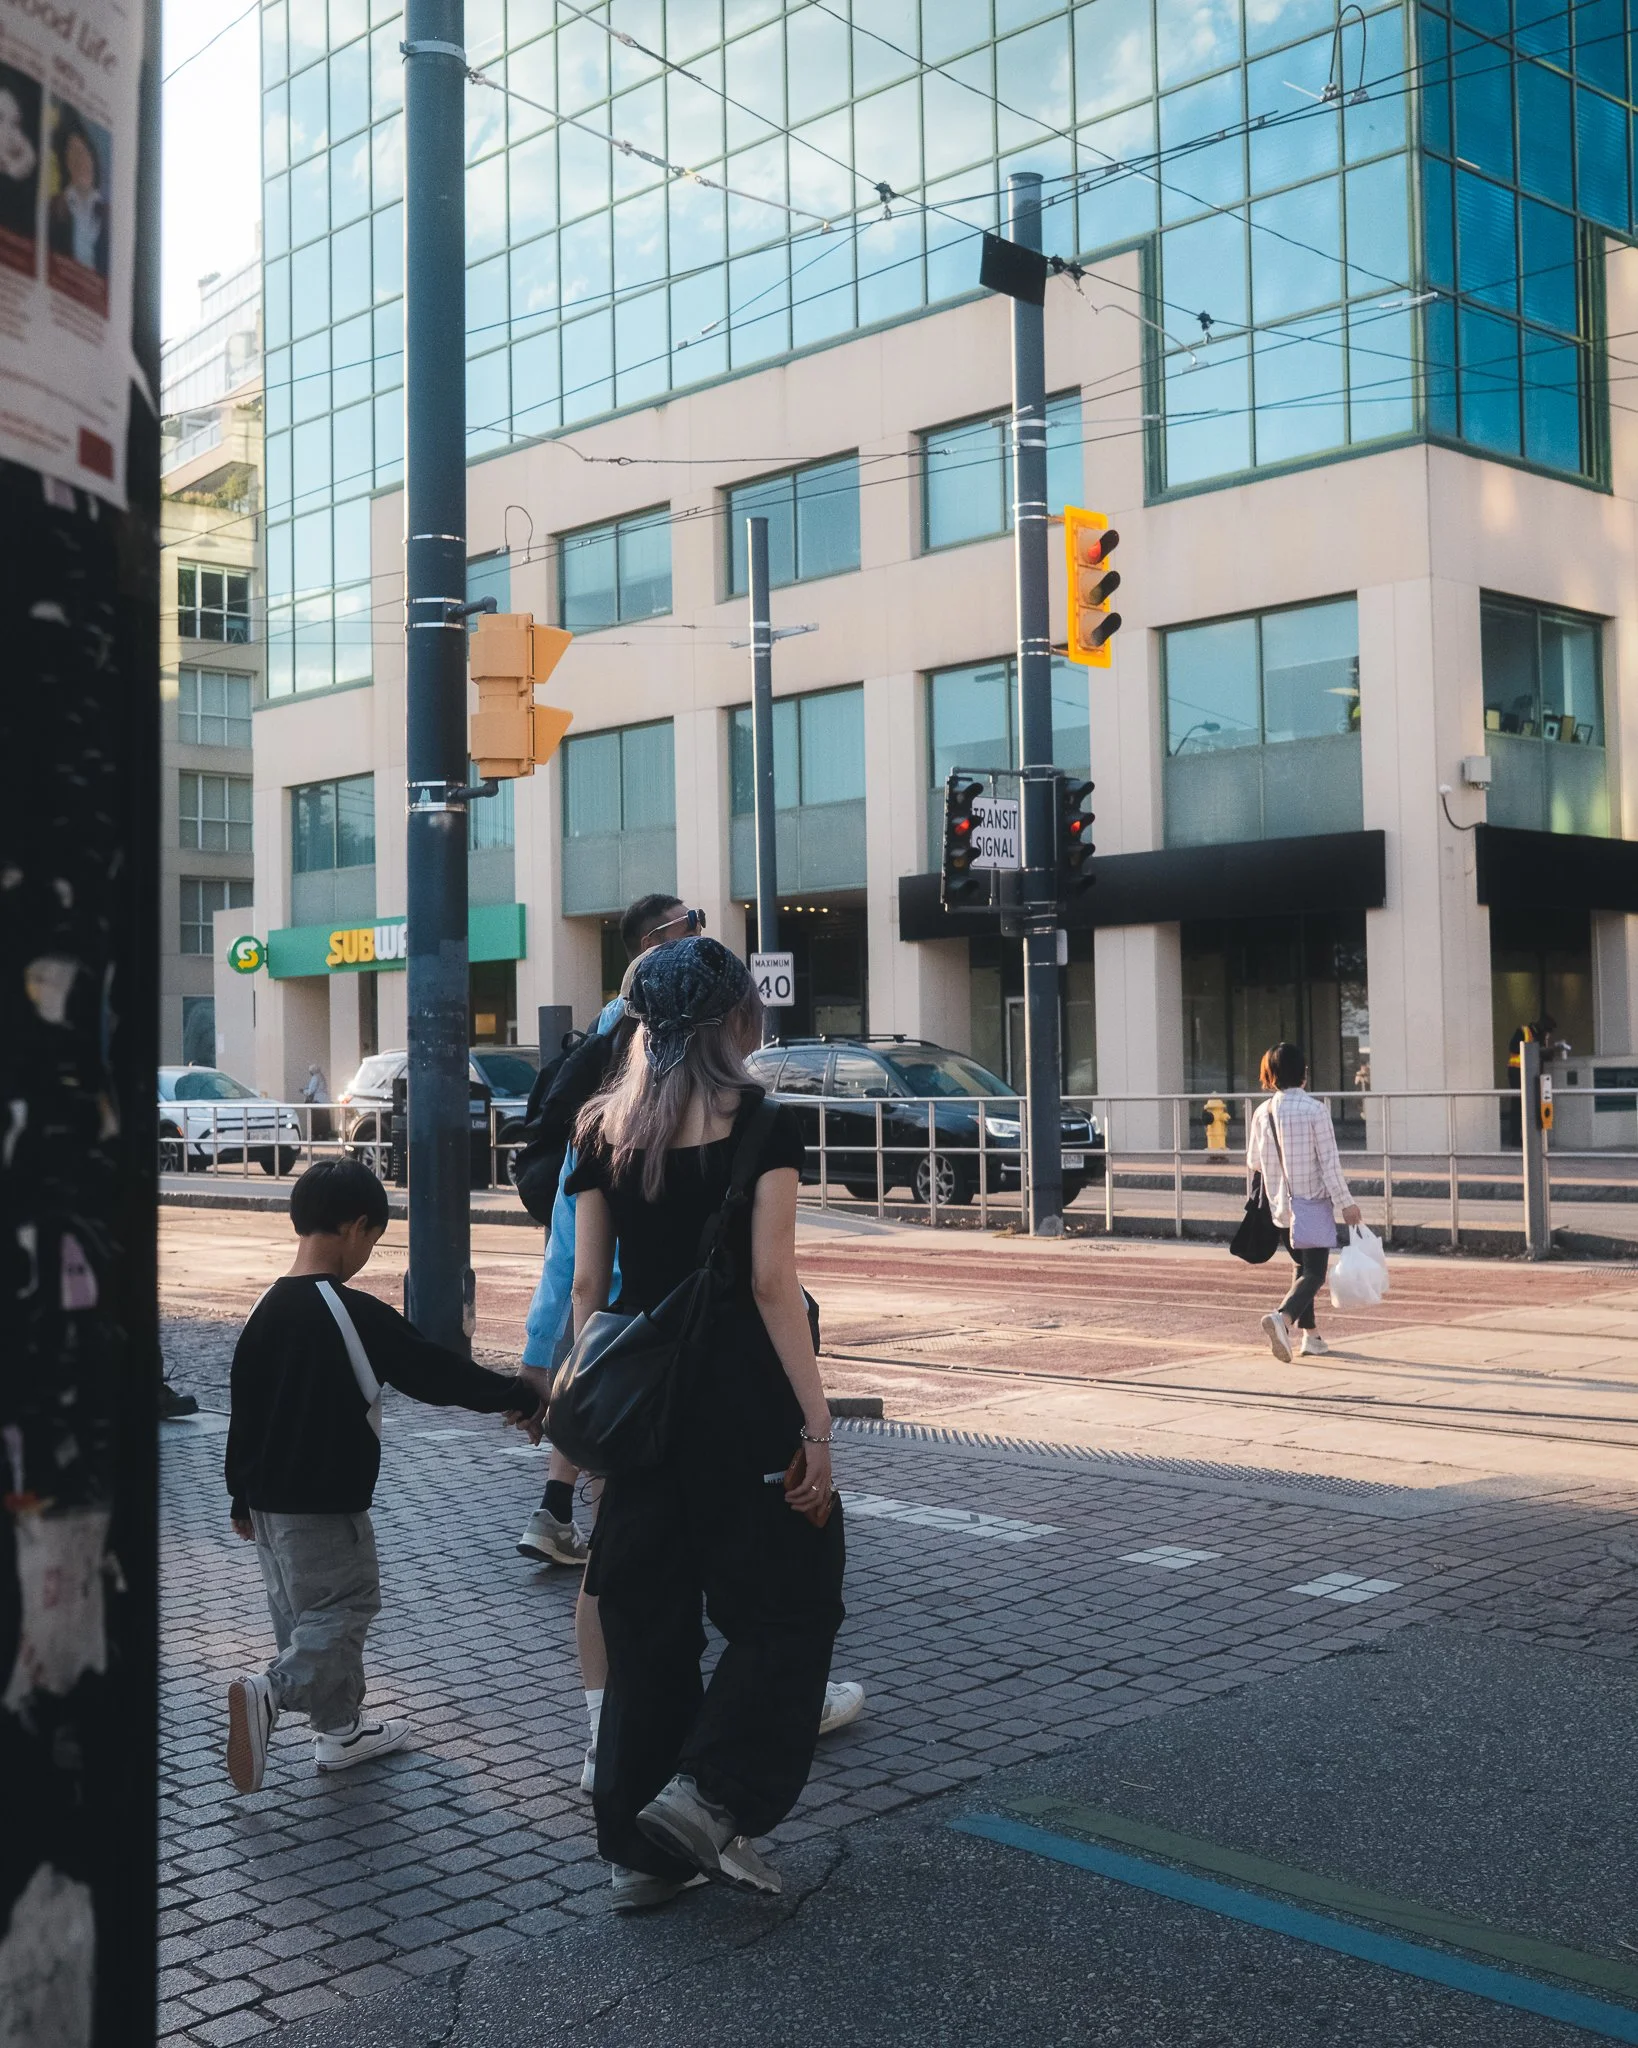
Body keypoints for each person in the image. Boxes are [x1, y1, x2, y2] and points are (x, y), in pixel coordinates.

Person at [565, 937, 845, 1912]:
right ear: (737, 1018)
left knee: (646, 1626)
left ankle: (639, 1854)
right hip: (746, 1402)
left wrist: (590, 1417)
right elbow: (773, 1283)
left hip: (641, 1410)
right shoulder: (763, 1120)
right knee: (791, 1603)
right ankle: (709, 1791)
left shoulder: (598, 1127)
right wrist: (815, 1421)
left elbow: (590, 1291)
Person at [223, 1160, 542, 1795]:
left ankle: (340, 1733)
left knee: (300, 1615)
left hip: (266, 1504)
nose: (368, 1254)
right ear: (354, 1225)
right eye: (372, 1239)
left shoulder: (266, 1308)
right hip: (326, 1501)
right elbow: (434, 1372)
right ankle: (270, 1692)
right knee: (344, 1608)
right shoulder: (350, 1312)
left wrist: (240, 1496)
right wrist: (520, 1394)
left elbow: (245, 1409)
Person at [516, 893, 701, 1569]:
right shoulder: (733, 1123)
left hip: (613, 1309)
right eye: (691, 925)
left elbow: (571, 1255)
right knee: (638, 1482)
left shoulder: (595, 1120)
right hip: (663, 1314)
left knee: (602, 1408)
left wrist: (544, 1349)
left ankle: (562, 1513)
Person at [1245, 1042, 1362, 1363]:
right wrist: (1346, 1203)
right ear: (1303, 1074)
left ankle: (1311, 1337)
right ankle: (1282, 1318)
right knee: (1315, 1273)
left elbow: (1254, 1161)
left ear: (1270, 1075)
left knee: (1301, 1268)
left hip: (1279, 1206)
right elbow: (1329, 1163)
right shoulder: (1315, 1110)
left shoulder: (1261, 1112)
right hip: (1311, 1205)